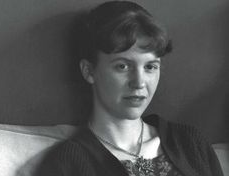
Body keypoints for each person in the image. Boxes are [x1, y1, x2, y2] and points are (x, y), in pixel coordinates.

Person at [35, 1, 223, 176]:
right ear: (89, 71)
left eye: (150, 67)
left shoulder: (190, 143)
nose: (139, 82)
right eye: (122, 66)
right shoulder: (67, 164)